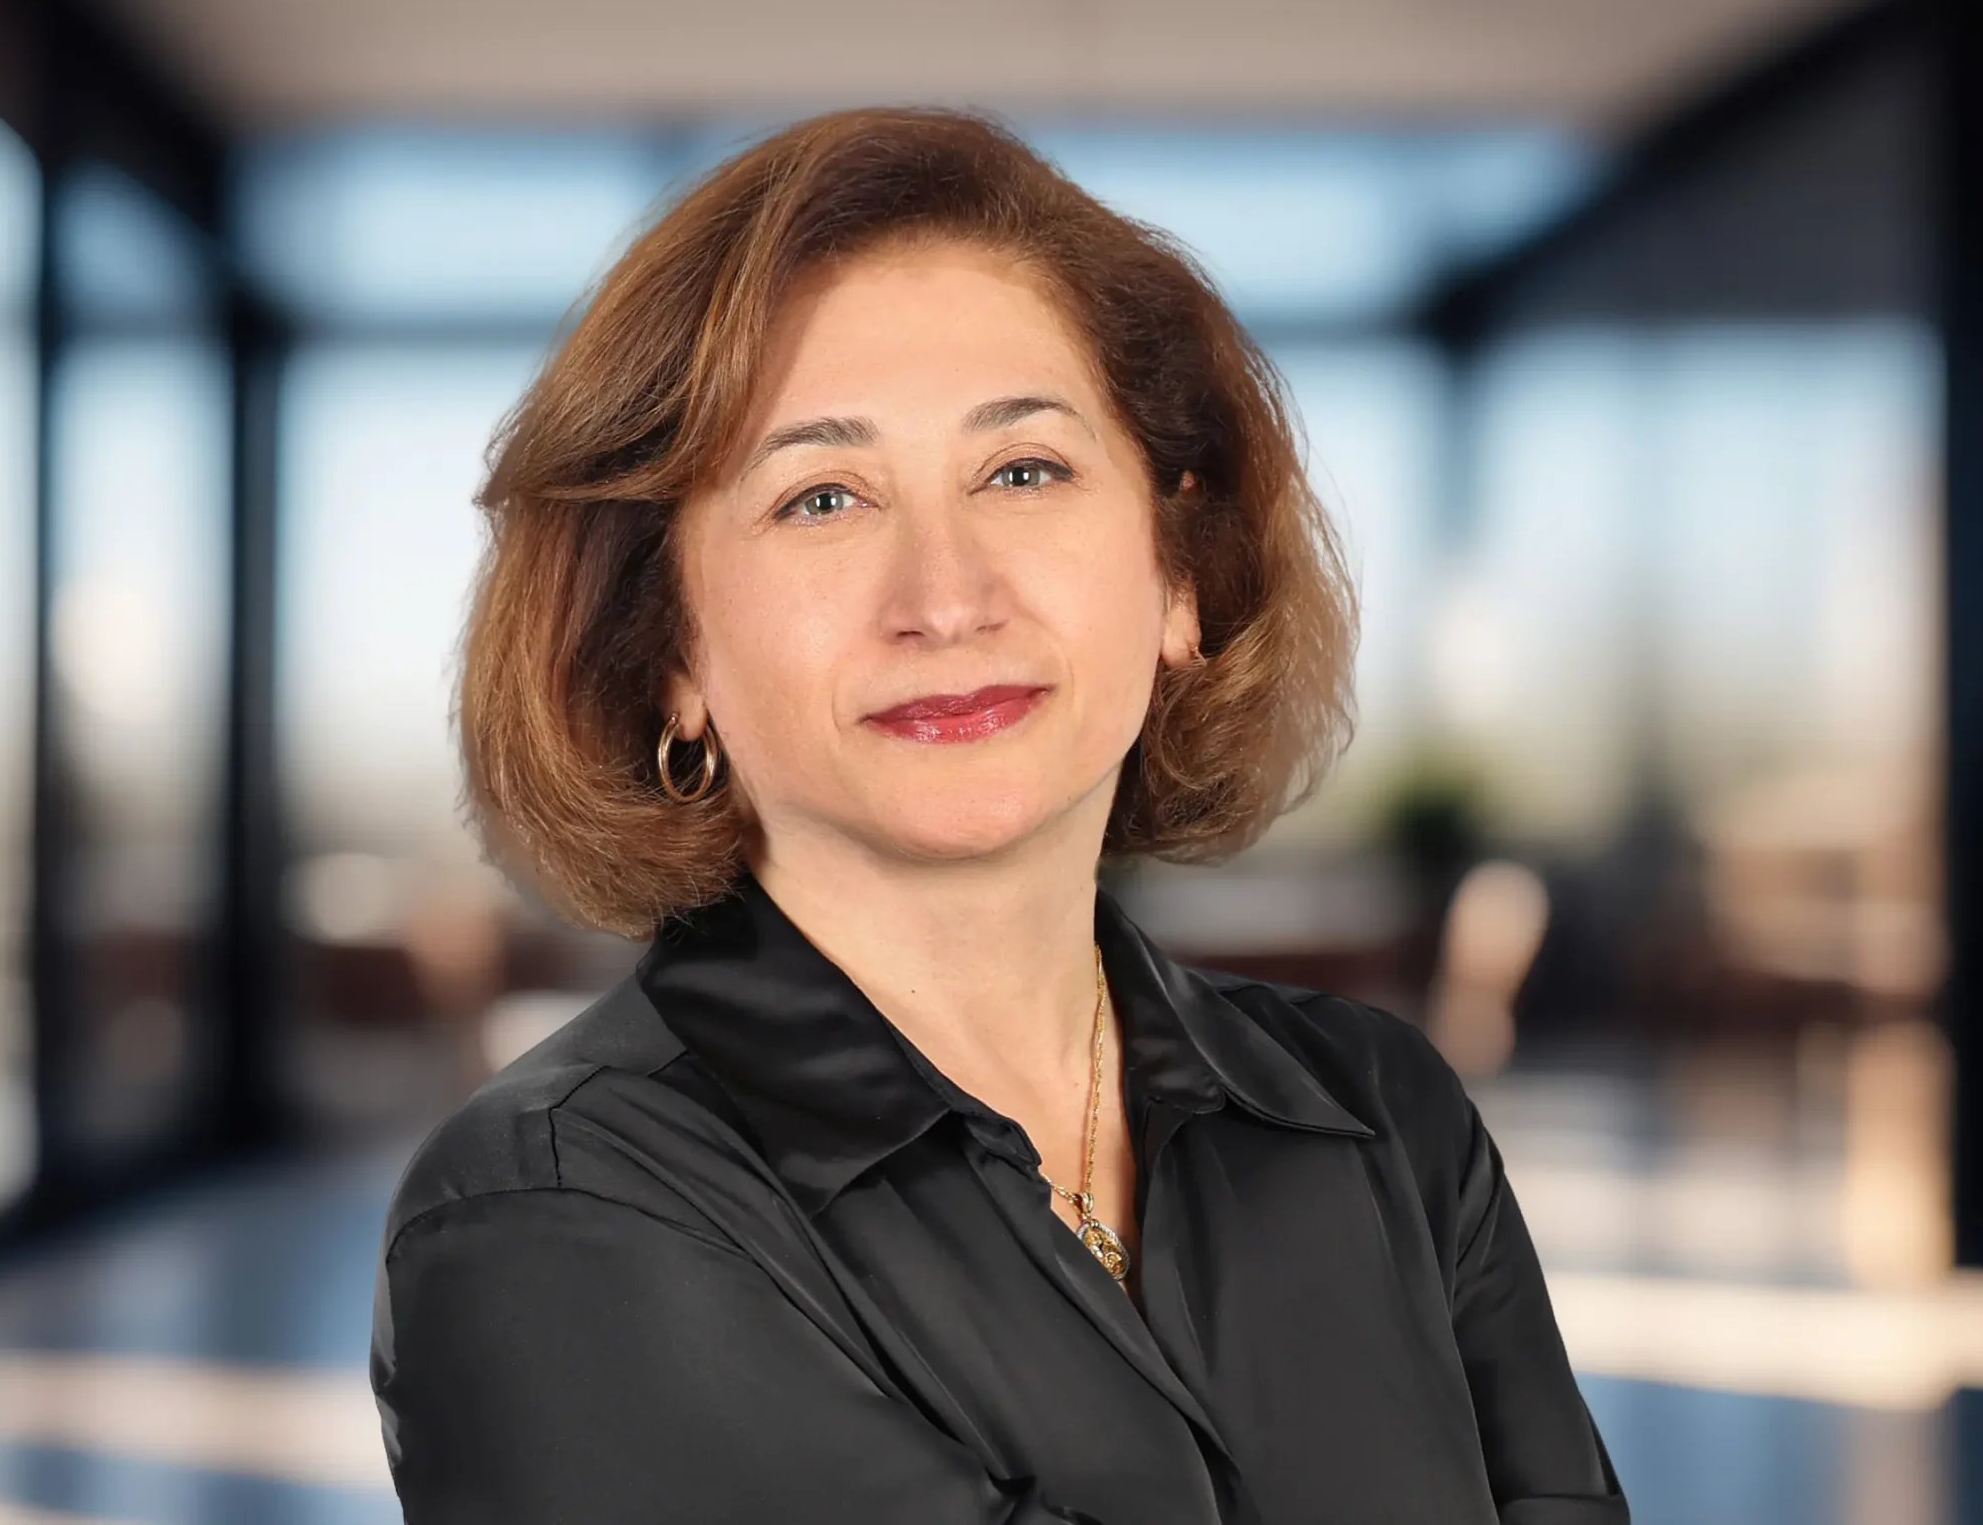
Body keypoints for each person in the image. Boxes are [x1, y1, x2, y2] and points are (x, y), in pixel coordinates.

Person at [369, 107, 1629, 1524]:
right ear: (667, 651)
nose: (948, 597)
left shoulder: (1386, 1119)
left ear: (1177, 577)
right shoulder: (549, 1215)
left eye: (1023, 469)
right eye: (822, 496)